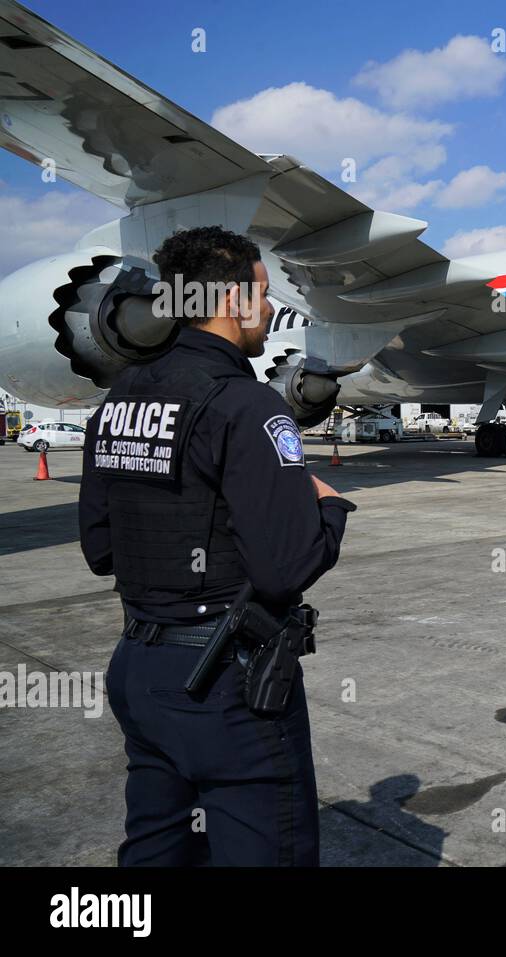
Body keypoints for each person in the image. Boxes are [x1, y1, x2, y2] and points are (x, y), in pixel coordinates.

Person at [78, 225, 356, 866]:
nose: (268, 310)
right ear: (233, 303)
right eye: (263, 295)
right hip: (226, 685)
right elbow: (285, 568)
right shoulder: (248, 405)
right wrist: (328, 506)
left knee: (155, 849)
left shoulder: (117, 401)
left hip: (139, 669)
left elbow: (101, 547)